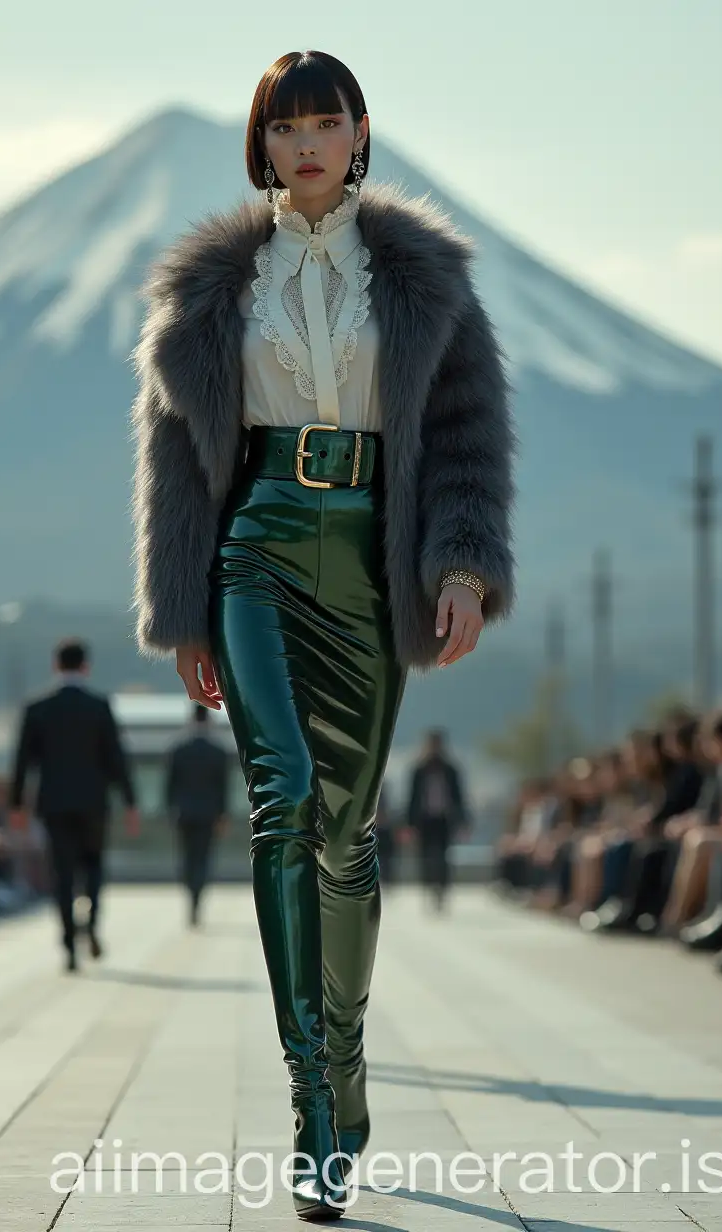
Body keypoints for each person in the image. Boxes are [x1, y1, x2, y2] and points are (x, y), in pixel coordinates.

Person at [130, 50, 516, 1220]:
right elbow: (173, 464)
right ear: (261, 144)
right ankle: (311, 1104)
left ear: (359, 134)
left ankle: (346, 1068)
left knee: (346, 833)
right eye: (285, 125)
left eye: (326, 122)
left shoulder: (428, 280)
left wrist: (460, 564)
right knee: (284, 796)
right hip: (252, 543)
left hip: (367, 555)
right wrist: (182, 600)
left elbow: (464, 437)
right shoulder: (205, 288)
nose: (306, 143)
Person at [8, 638, 140, 971]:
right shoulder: (99, 706)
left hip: (52, 802)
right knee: (93, 866)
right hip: (94, 801)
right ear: (86, 666)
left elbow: (22, 762)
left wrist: (17, 806)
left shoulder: (37, 708)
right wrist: (130, 801)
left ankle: (68, 944)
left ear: (55, 665)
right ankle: (91, 924)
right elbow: (116, 758)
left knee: (62, 872)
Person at [164, 704, 231, 927]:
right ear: (209, 721)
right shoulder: (218, 751)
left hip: (184, 813)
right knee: (203, 857)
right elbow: (223, 788)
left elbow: (170, 786)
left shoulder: (179, 749)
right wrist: (223, 815)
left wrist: (169, 810)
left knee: (186, 856)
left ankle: (189, 890)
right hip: (209, 813)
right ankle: (197, 897)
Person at [406, 729, 471, 911]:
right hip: (424, 820)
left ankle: (442, 890)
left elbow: (459, 797)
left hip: (444, 819)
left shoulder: (450, 770)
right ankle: (429, 889)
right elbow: (412, 799)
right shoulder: (419, 770)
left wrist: (463, 822)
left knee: (443, 856)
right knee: (425, 856)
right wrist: (408, 825)